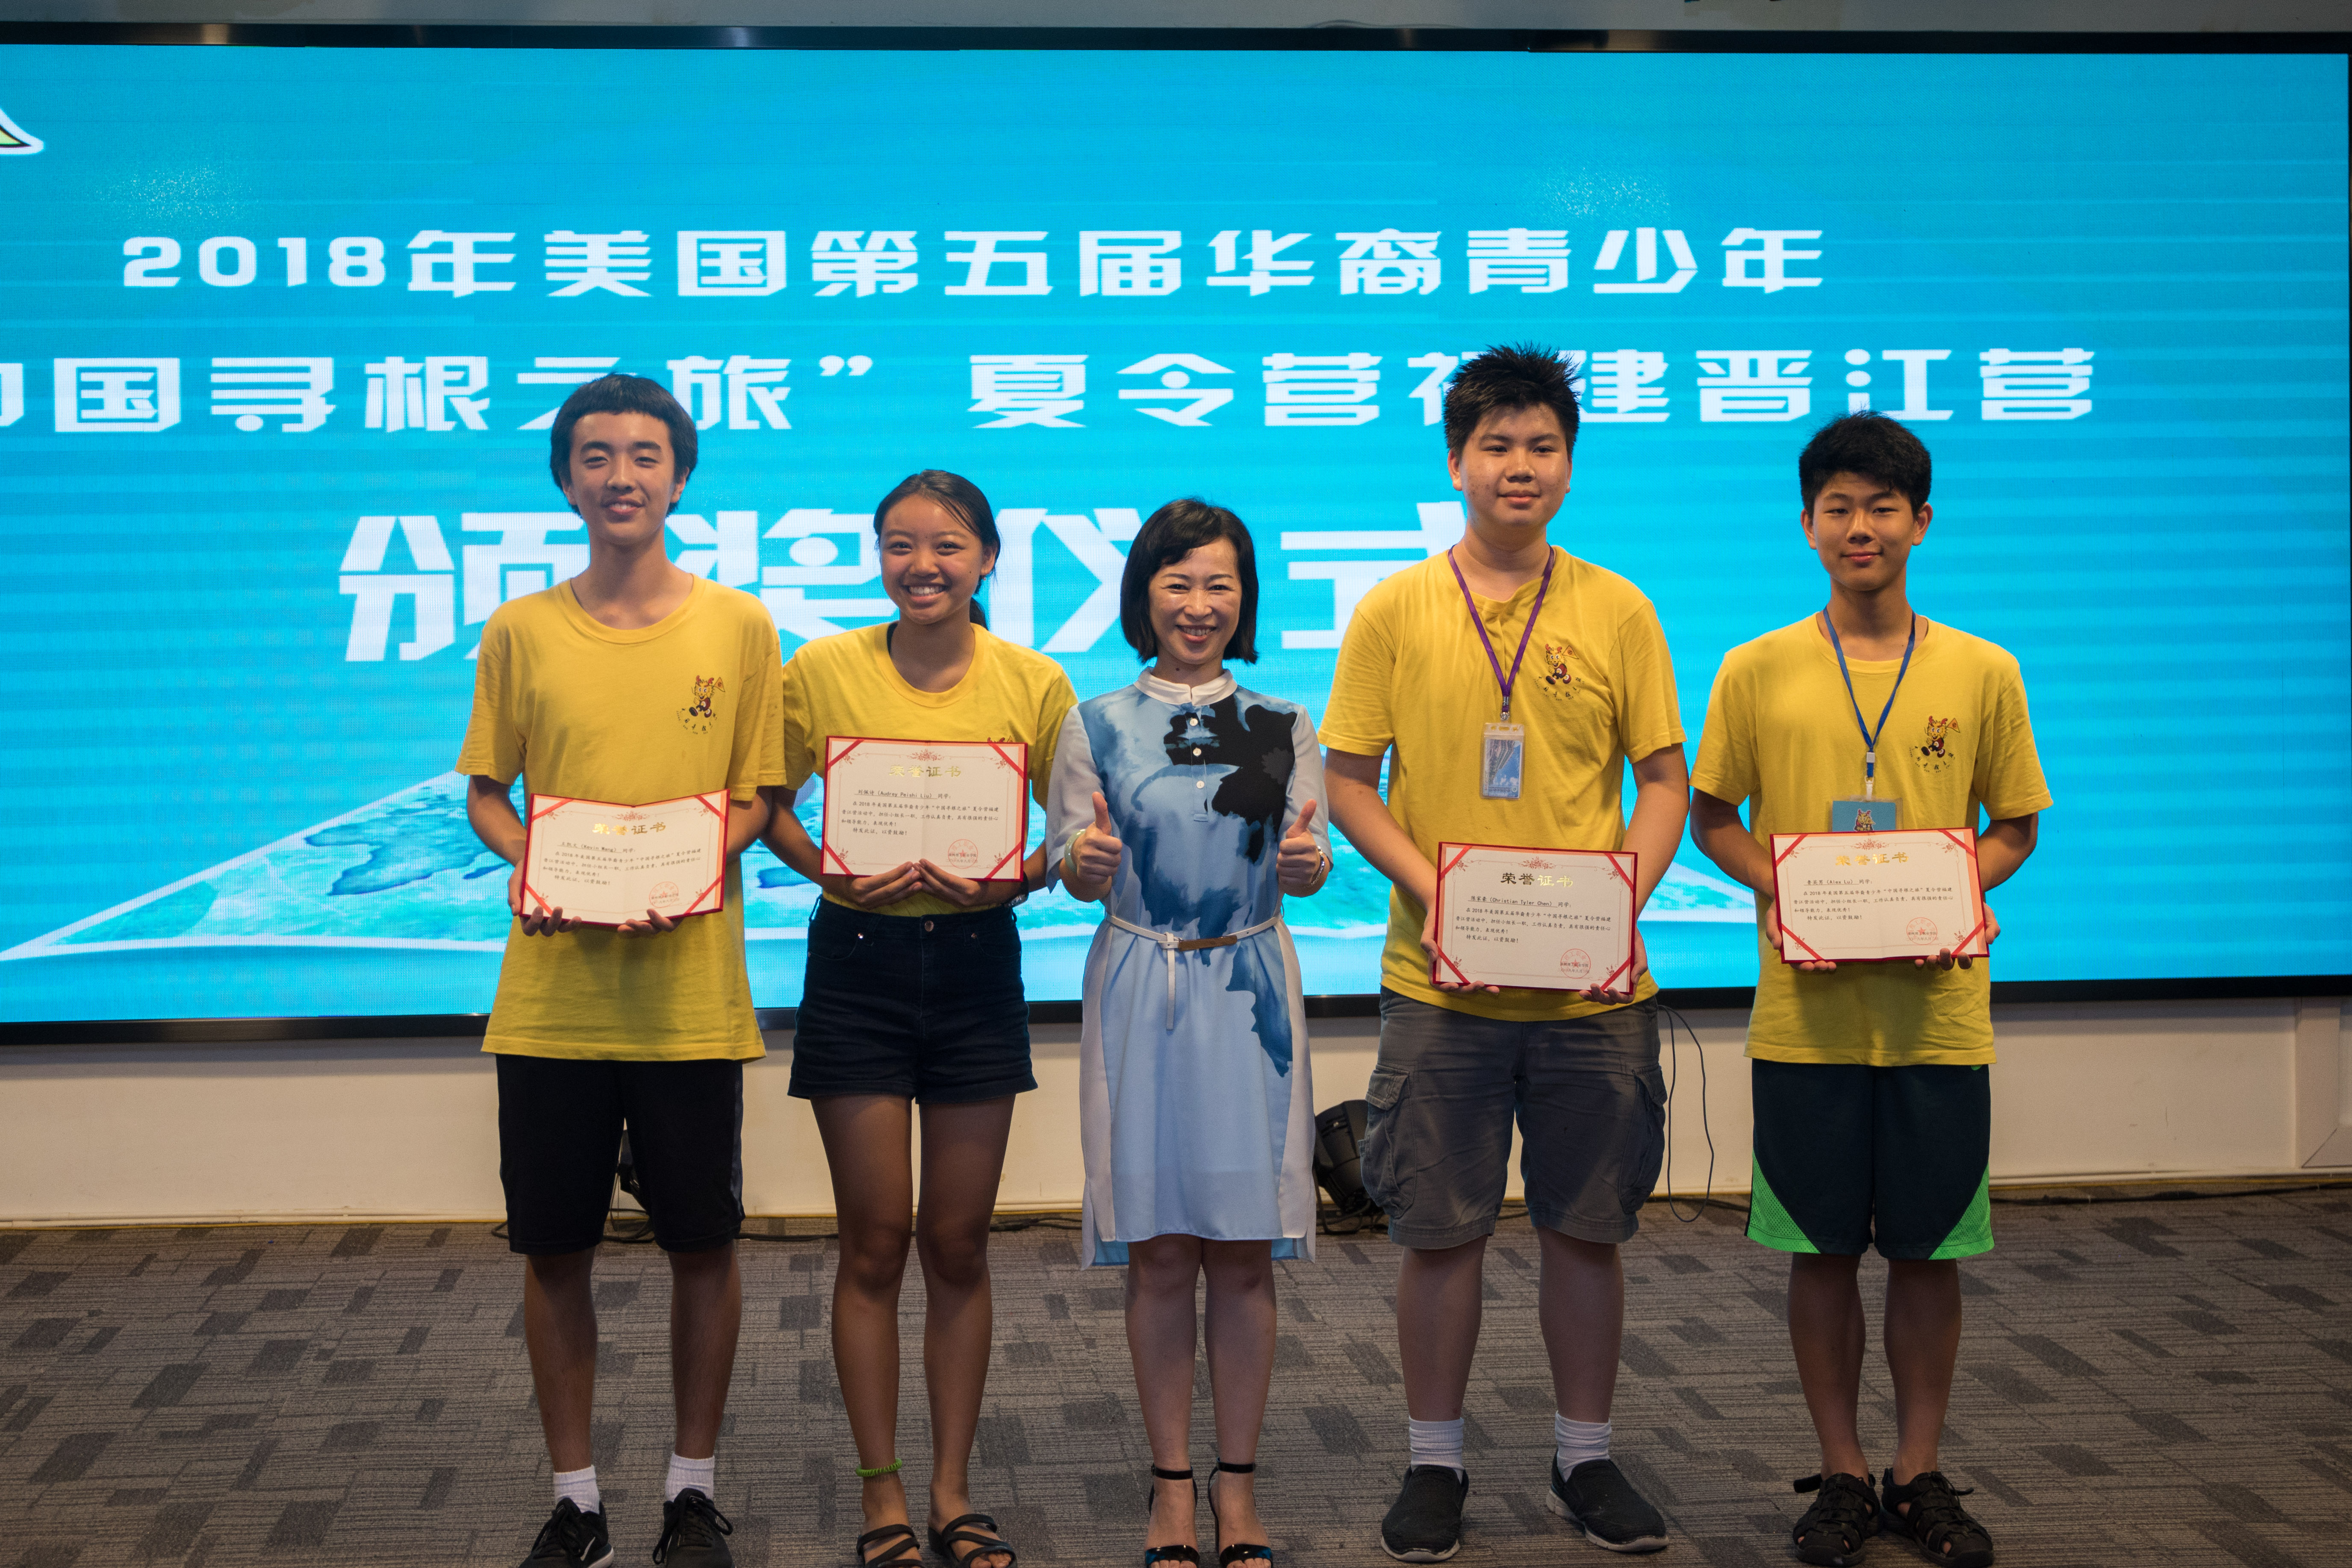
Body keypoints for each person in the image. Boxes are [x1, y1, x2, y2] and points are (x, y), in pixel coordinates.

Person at [1320, 344, 1689, 1559]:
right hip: (1442, 983)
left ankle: (1585, 1455)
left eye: (1541, 445)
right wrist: (1440, 891)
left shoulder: (1618, 607)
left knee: (1589, 1226)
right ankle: (1434, 1461)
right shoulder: (1393, 607)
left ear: (1569, 464)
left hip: (1591, 988)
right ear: (1455, 462)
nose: (1518, 466)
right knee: (1438, 1229)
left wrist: (1622, 898)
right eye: (1495, 445)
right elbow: (1346, 781)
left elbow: (1661, 779)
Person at [1689, 413, 2046, 1568]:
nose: (1860, 527)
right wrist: (1785, 886)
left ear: (1920, 522)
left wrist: (1957, 889)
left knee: (1931, 1251)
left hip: (1937, 1015)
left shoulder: (1982, 669)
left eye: (1882, 507)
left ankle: (1917, 1470)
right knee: (1822, 1247)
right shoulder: (1754, 668)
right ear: (1807, 525)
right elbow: (1710, 818)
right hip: (1806, 1019)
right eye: (1837, 507)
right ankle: (1842, 1469)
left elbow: (2013, 826)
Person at [457, 373, 779, 1568]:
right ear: (565, 480)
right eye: (595, 456)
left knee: (703, 1245)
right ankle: (577, 1498)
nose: (621, 476)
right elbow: (488, 794)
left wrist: (679, 869)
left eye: (645, 455)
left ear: (680, 478)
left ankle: (691, 1490)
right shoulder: (520, 629)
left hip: (689, 995)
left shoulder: (739, 625)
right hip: (554, 1000)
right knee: (555, 1249)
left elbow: (756, 796)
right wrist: (539, 864)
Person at [760, 471, 1076, 1568]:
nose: (922, 564)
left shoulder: (1035, 681)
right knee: (874, 1242)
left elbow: (1077, 830)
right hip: (858, 961)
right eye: (899, 544)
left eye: (947, 545)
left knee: (957, 1241)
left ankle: (952, 1489)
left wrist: (1018, 877)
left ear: (988, 558)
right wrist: (831, 869)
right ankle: (882, 1490)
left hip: (979, 961)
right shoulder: (822, 668)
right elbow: (767, 806)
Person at [1048, 500, 1333, 1568]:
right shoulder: (1095, 722)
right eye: (1178, 582)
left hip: (1250, 993)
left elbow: (1307, 859)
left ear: (1245, 599)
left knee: (1246, 1251)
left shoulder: (1286, 723)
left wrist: (1308, 868)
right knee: (1161, 1251)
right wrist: (1079, 864)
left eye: (1220, 583)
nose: (1199, 604)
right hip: (1141, 988)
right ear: (1143, 595)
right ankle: (1172, 1485)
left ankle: (1238, 1489)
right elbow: (1072, 861)